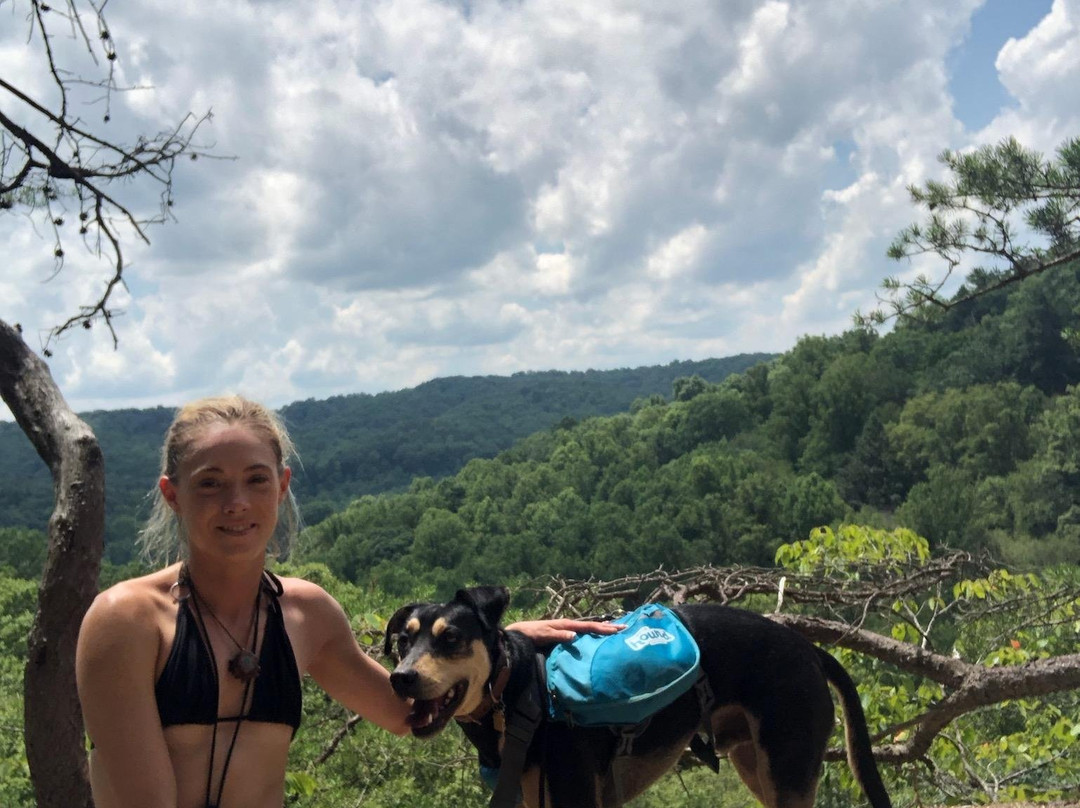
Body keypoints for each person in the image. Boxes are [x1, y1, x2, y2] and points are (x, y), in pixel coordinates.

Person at [75, 395, 616, 808]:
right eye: (210, 483)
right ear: (173, 494)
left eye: (256, 480)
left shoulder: (304, 614)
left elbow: (409, 709)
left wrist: (501, 643)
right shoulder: (129, 621)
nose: (236, 503)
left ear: (282, 486)